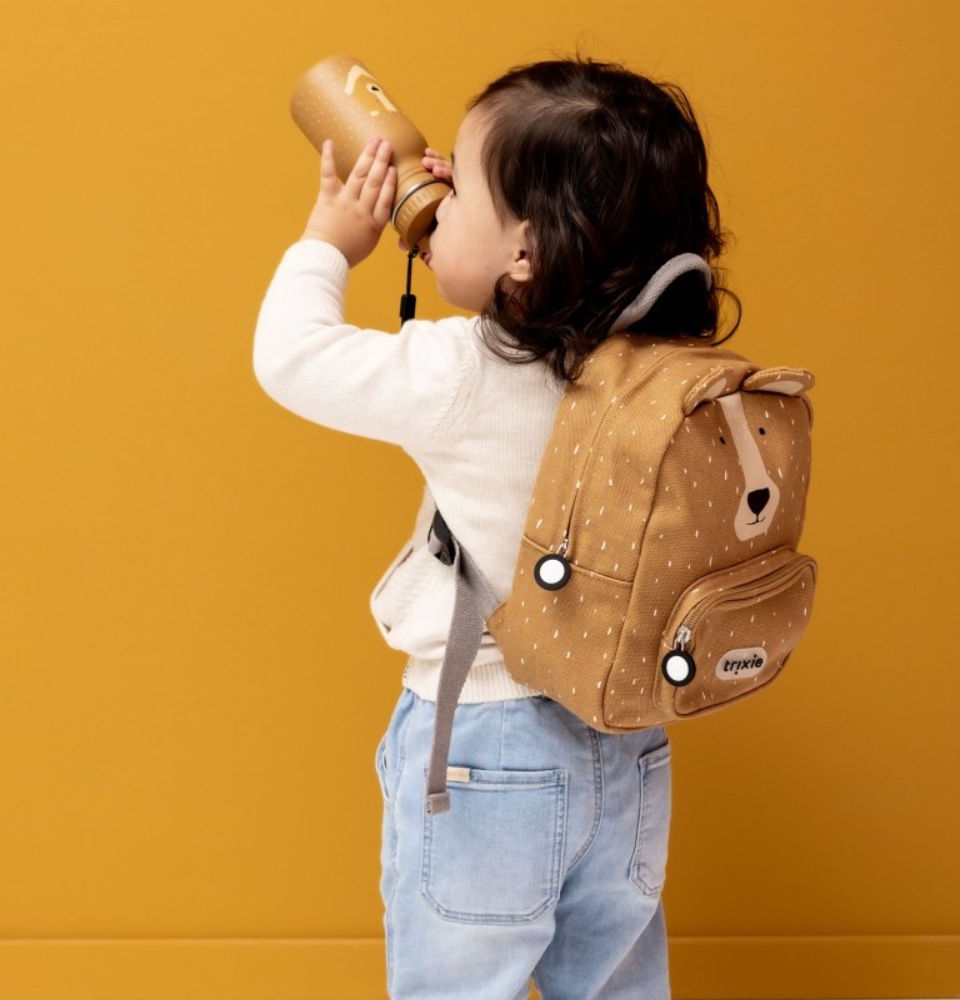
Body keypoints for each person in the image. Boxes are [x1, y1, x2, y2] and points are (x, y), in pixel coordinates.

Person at [253, 50, 741, 1000]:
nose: (434, 187)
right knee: (615, 985)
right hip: (628, 746)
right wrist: (473, 201)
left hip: (490, 747)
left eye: (462, 186)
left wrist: (330, 242)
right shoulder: (662, 370)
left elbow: (289, 357)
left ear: (525, 253)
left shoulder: (465, 372)